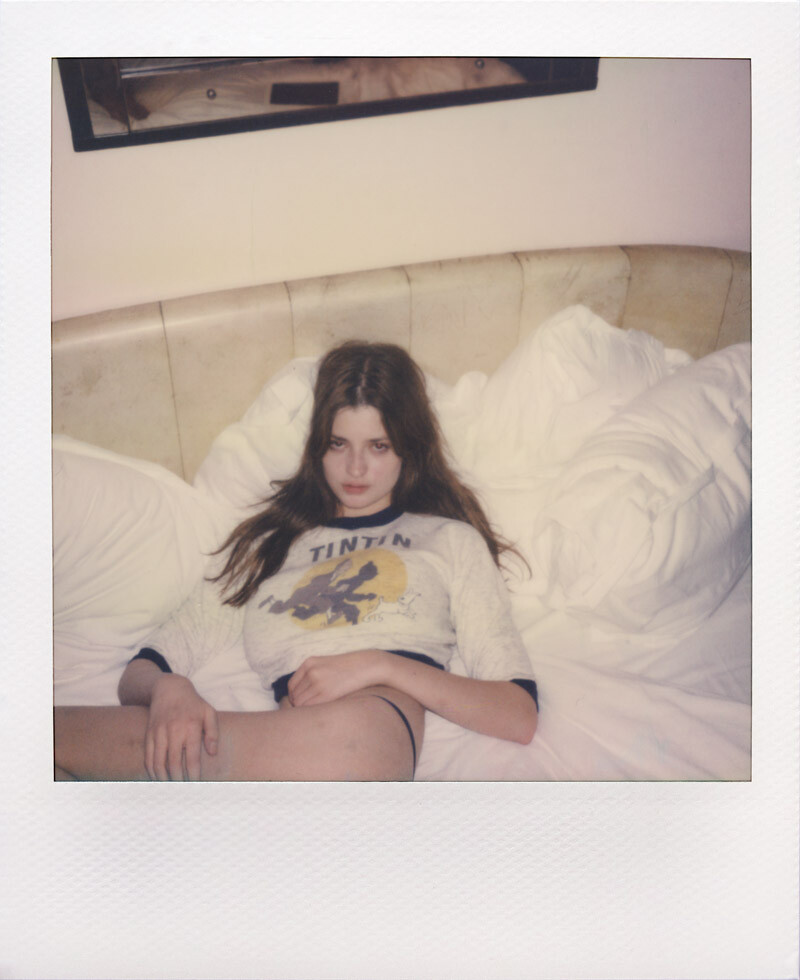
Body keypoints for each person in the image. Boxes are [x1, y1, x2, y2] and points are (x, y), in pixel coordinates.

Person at [54, 341, 538, 781]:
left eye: (379, 446)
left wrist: (379, 666)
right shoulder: (271, 546)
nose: (355, 468)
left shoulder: (449, 541)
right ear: (317, 445)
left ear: (408, 448)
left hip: (363, 740)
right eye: (338, 443)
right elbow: (142, 670)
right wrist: (169, 690)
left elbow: (517, 714)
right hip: (281, 746)